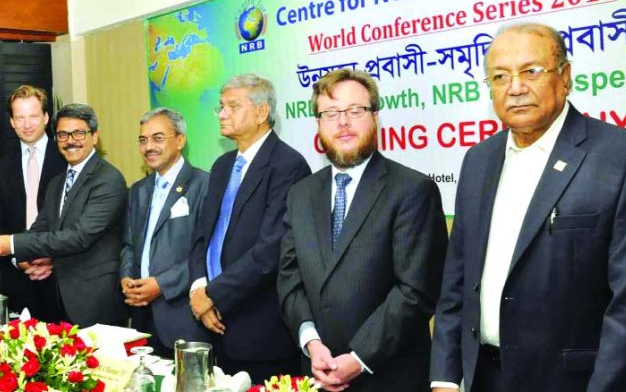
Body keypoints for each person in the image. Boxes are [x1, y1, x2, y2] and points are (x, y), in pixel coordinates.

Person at [430, 23, 626, 392]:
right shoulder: (478, 159)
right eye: (500, 76)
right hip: (483, 377)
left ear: (565, 77)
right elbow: (458, 279)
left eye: (531, 71)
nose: (515, 88)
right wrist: (445, 377)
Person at [279, 69, 448, 391]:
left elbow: (416, 292)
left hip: (388, 375)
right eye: (330, 113)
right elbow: (289, 277)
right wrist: (311, 342)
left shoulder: (412, 190)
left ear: (374, 117)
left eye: (355, 111)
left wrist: (357, 359)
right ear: (318, 123)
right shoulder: (300, 194)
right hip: (316, 372)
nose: (342, 122)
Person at [189, 74, 311, 382]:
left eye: (232, 105)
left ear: (261, 113)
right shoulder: (221, 166)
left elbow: (272, 249)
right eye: (220, 106)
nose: (222, 113)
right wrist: (198, 291)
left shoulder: (288, 165)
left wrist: (213, 294)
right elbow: (202, 237)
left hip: (261, 329)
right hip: (214, 323)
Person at [0, 104, 128, 327]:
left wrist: (11, 244)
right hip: (58, 296)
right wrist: (29, 258)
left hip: (95, 301)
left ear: (95, 136)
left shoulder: (108, 179)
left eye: (79, 133)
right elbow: (41, 227)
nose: (70, 141)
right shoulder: (57, 182)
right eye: (62, 134)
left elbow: (79, 236)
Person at [120, 107, 210, 357]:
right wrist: (126, 278)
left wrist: (162, 284)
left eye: (158, 138)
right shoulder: (138, 189)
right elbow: (129, 244)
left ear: (180, 140)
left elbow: (206, 252)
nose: (149, 147)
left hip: (183, 315)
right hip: (141, 318)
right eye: (143, 140)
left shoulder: (205, 185)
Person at [0, 85, 65, 321]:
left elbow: (77, 224)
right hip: (17, 278)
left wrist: (53, 259)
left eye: (33, 116)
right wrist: (17, 257)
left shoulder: (65, 159)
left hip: (62, 279)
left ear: (46, 117)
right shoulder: (1, 166)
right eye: (20, 117)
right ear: (11, 121)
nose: (27, 124)